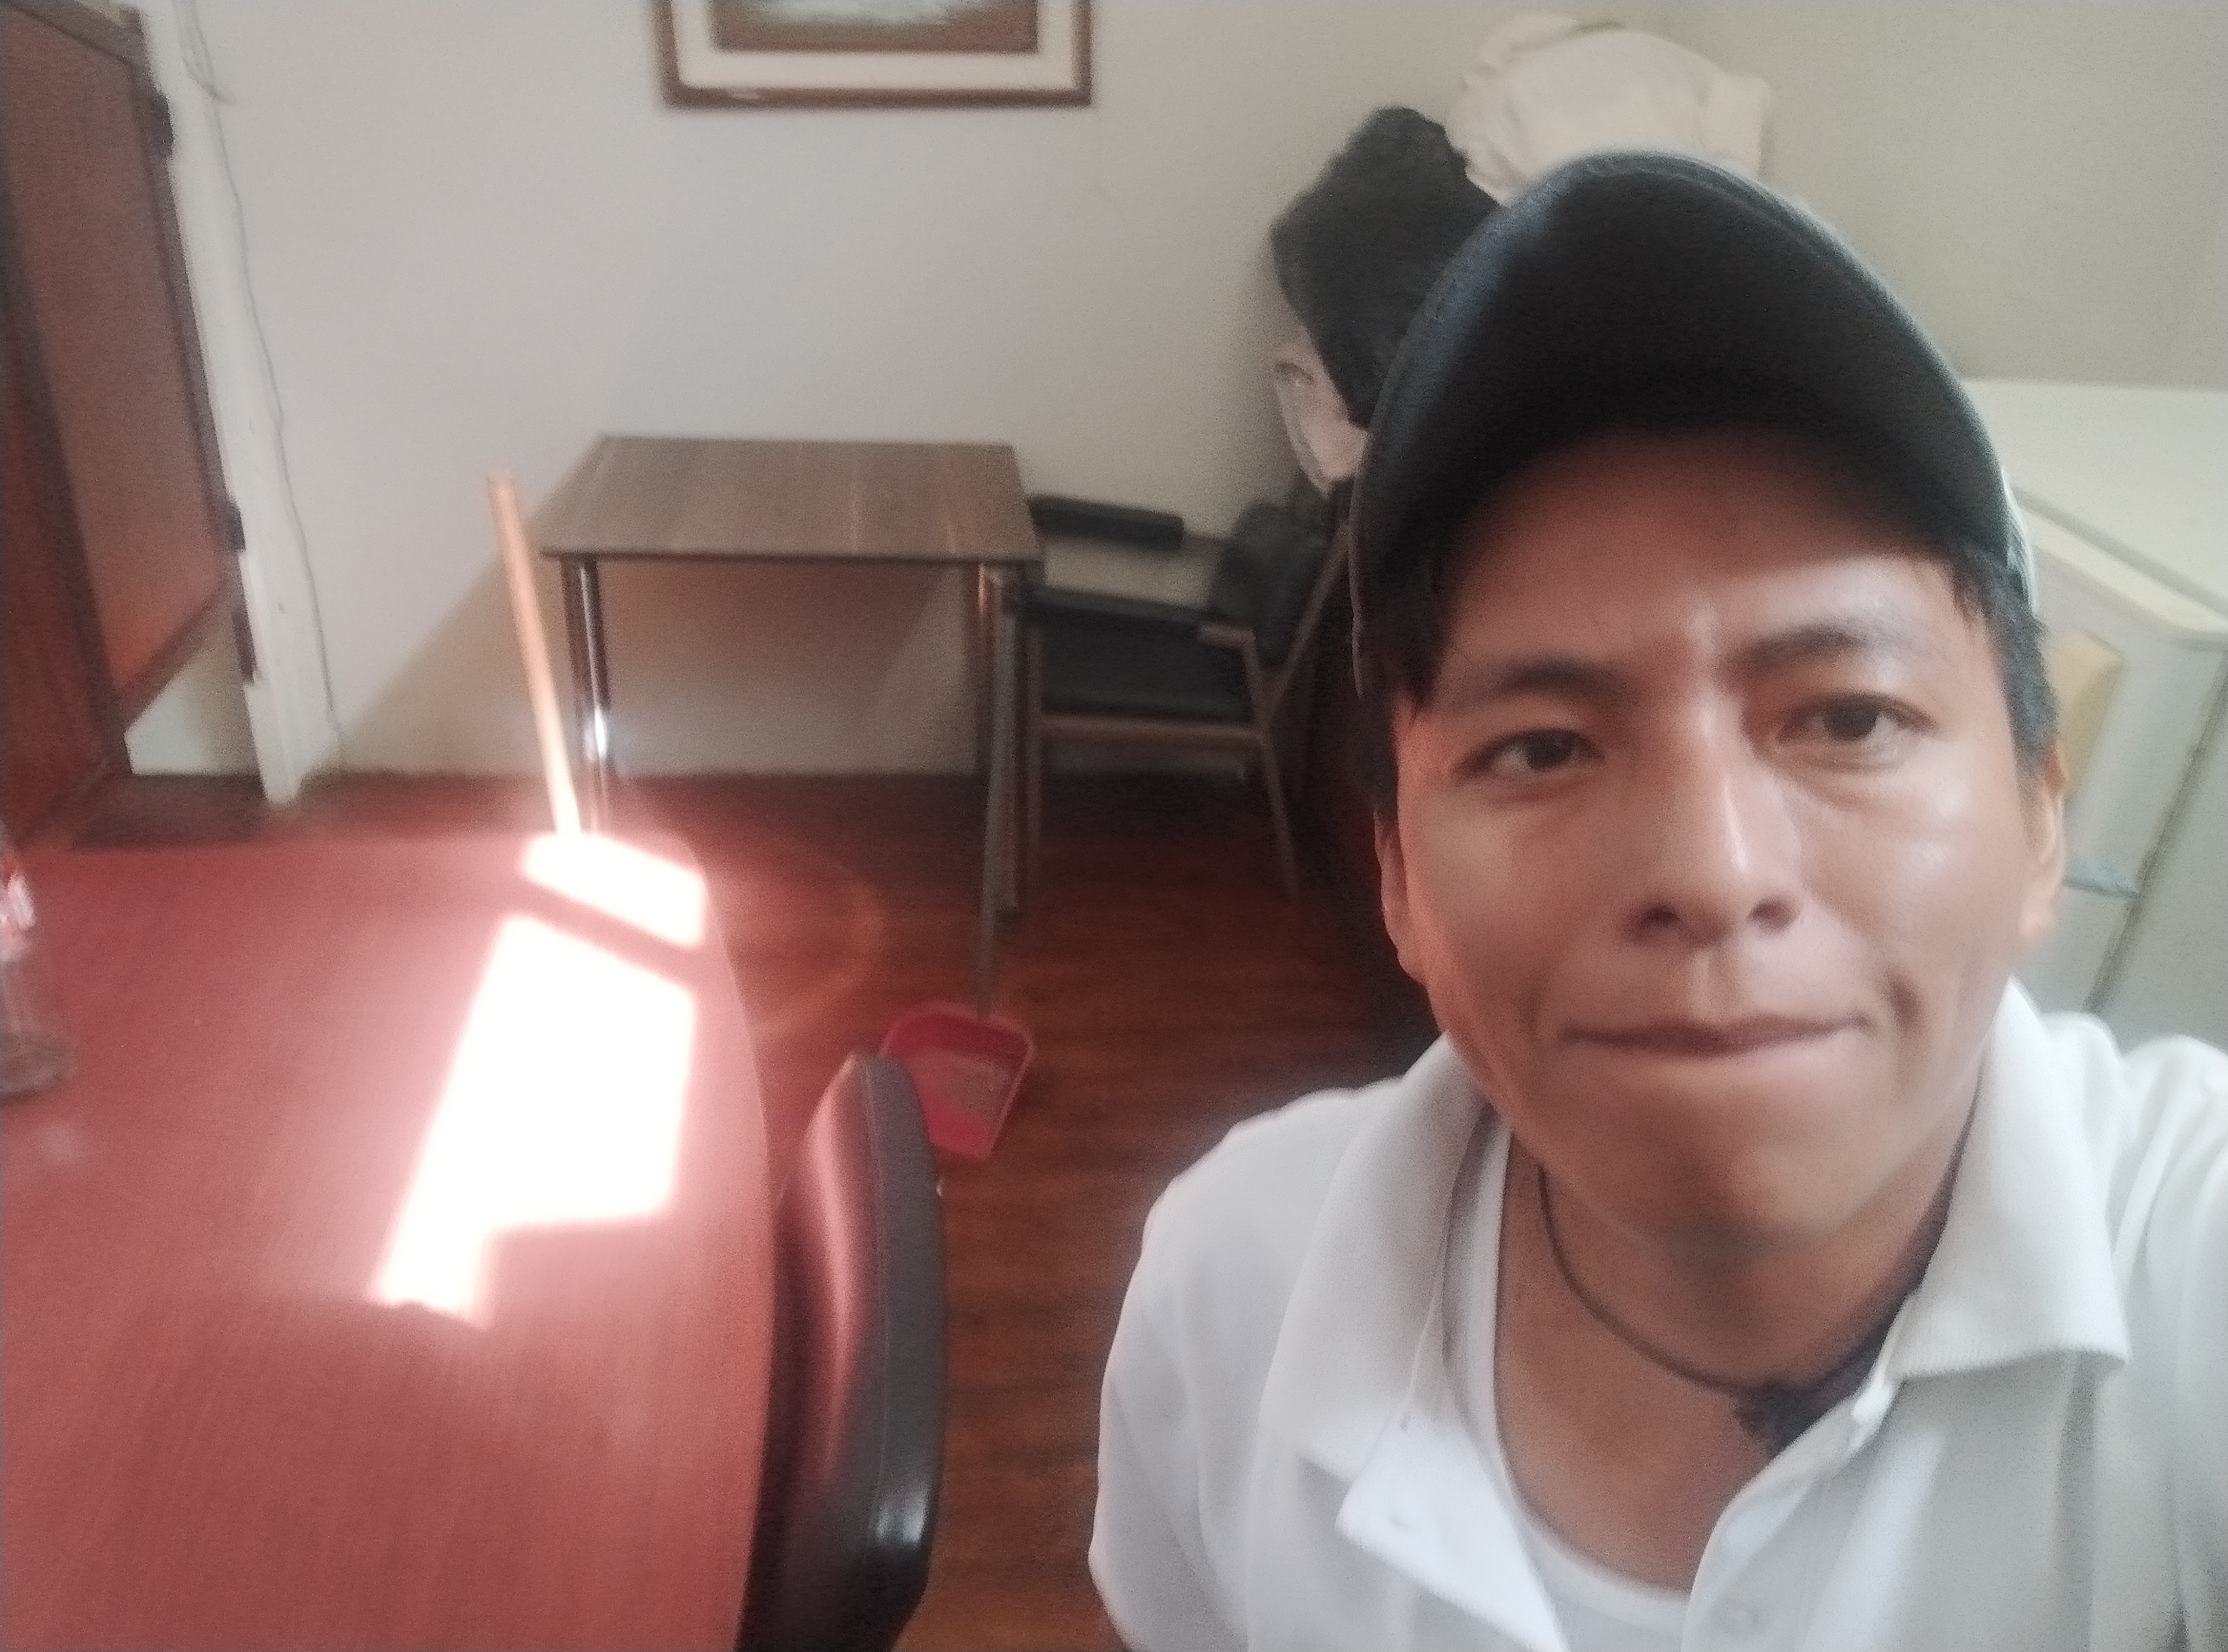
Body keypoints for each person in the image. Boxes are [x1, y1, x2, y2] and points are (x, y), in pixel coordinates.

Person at [1090, 152, 2226, 1652]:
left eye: (1849, 719)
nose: (1713, 871)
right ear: (1399, 878)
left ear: (2039, 821)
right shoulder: (1233, 1286)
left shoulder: (2189, 1264)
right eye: (1541, 748)